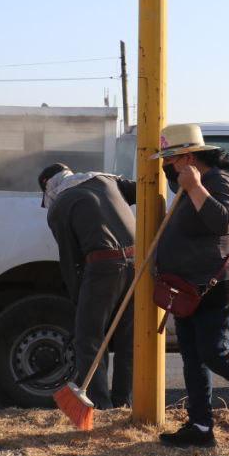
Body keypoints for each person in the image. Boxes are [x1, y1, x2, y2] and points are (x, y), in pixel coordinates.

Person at [153, 124, 229, 448]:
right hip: (187, 285)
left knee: (215, 352)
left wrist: (195, 188)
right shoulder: (186, 183)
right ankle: (199, 426)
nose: (167, 165)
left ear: (189, 157)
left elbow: (225, 220)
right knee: (193, 356)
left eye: (171, 159)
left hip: (218, 285)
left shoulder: (221, 181)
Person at [38, 162, 137, 410]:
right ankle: (124, 402)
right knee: (128, 338)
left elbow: (70, 261)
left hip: (104, 267)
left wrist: (77, 298)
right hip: (139, 262)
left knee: (89, 339)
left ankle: (101, 406)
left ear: (47, 188)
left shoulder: (59, 205)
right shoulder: (106, 180)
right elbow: (141, 190)